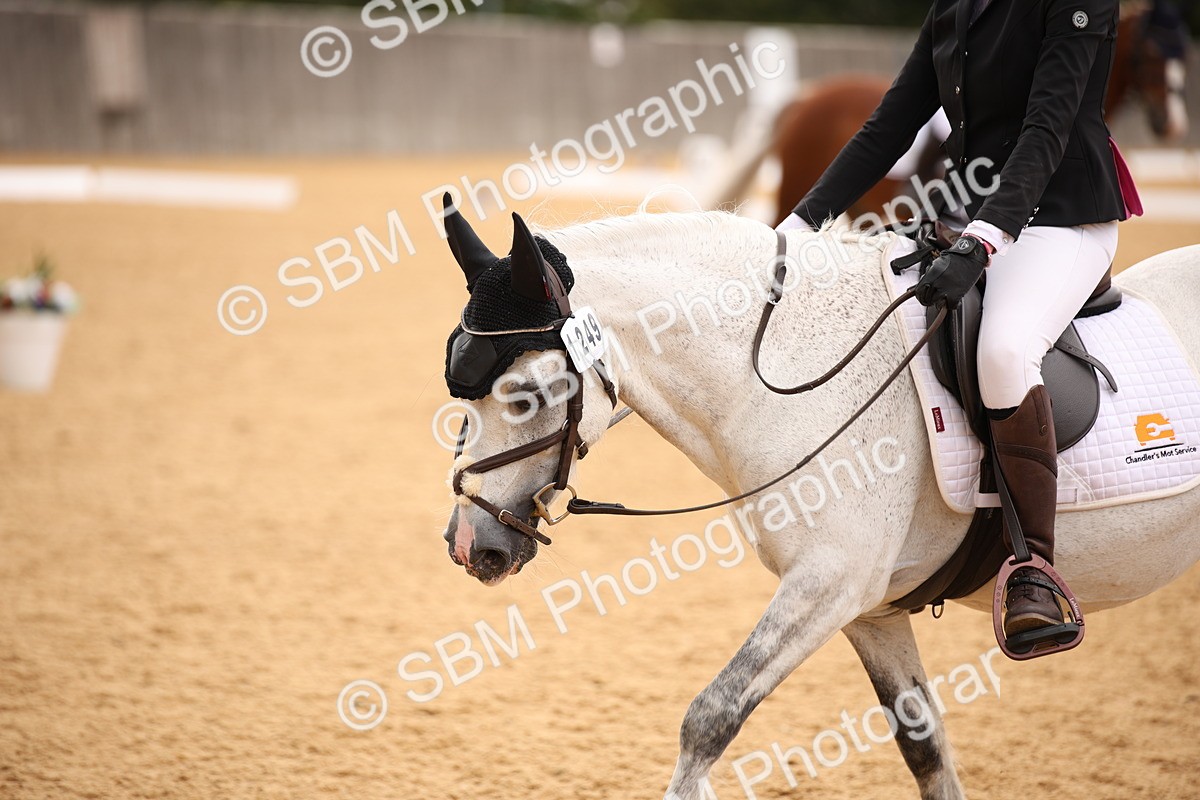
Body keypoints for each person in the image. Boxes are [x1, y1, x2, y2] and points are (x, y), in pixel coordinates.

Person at [777, 0, 1134, 645]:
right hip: (966, 215)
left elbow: (1048, 126)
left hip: (1059, 217)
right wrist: (797, 226)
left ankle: (1035, 572)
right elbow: (890, 124)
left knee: (1003, 351)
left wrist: (987, 236)